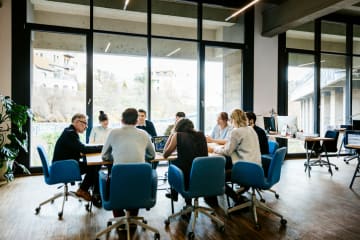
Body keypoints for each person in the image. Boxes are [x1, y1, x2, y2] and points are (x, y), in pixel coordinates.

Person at [101, 108, 156, 218]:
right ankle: (133, 218)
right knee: (136, 185)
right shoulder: (144, 134)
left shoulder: (114, 133)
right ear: (136, 121)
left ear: (122, 120)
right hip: (140, 182)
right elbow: (152, 155)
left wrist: (116, 157)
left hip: (118, 180)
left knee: (110, 179)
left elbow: (104, 156)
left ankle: (119, 218)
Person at [208, 109, 261, 204]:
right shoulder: (251, 129)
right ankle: (239, 193)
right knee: (225, 167)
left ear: (234, 120)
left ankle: (236, 198)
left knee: (217, 175)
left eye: (231, 120)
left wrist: (214, 150)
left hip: (245, 169)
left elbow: (228, 152)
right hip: (257, 168)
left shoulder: (236, 132)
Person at [52, 113, 103, 207]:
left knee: (93, 165)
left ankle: (91, 191)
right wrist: (102, 147)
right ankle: (84, 190)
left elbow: (79, 148)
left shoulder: (69, 131)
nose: (86, 127)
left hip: (64, 165)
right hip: (64, 168)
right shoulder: (70, 133)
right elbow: (83, 149)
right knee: (94, 166)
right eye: (85, 123)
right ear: (76, 122)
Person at [163, 118, 208, 206]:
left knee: (173, 164)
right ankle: (184, 201)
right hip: (201, 174)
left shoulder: (178, 135)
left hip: (185, 176)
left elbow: (165, 154)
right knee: (184, 164)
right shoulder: (201, 135)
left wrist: (172, 134)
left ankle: (175, 195)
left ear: (178, 127)